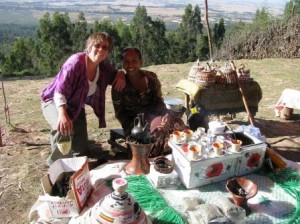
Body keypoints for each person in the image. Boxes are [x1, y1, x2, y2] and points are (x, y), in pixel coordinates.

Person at [41, 32, 125, 166]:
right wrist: (63, 115)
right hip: (53, 101)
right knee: (63, 127)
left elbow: (116, 74)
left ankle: (74, 161)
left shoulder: (102, 66)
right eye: (97, 45)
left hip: (75, 106)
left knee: (81, 151)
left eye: (105, 47)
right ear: (90, 46)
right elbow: (59, 93)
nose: (101, 50)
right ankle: (58, 167)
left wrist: (121, 74)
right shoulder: (75, 63)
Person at [111, 47, 186, 157]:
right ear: (122, 63)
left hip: (153, 115)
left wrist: (165, 116)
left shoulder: (151, 78)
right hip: (134, 123)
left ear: (141, 62)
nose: (130, 65)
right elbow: (119, 113)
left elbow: (158, 101)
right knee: (152, 136)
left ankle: (176, 157)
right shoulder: (119, 85)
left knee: (177, 126)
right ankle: (152, 161)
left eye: (134, 61)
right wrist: (136, 128)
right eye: (126, 61)